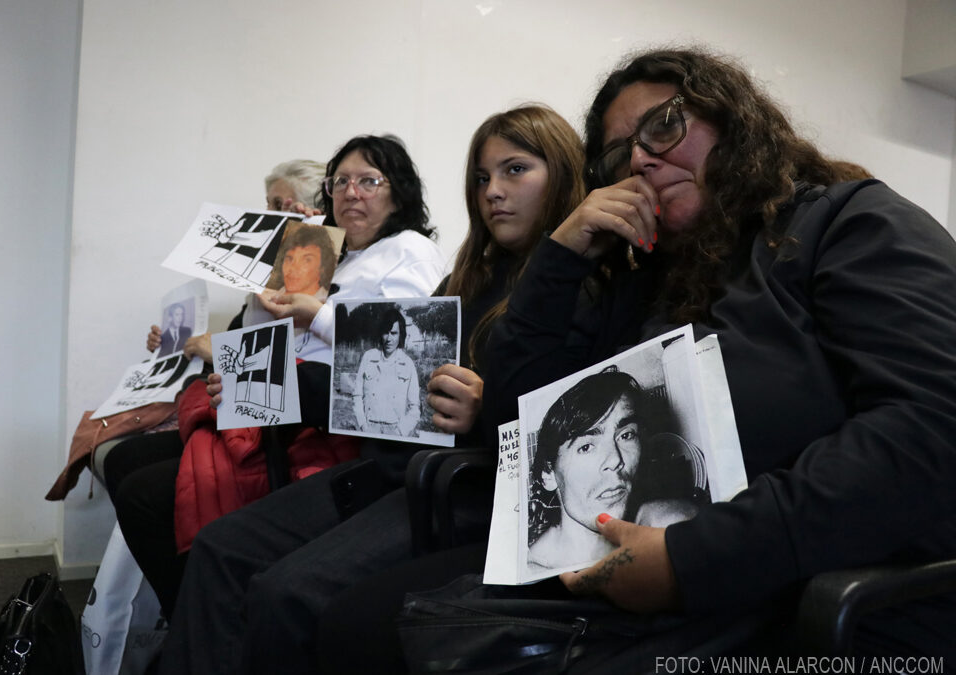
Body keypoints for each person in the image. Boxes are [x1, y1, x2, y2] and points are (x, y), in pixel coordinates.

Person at [469, 47, 956, 658]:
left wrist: (688, 560)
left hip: (806, 604)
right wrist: (559, 257)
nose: (641, 159)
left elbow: (933, 426)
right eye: (620, 156)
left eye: (664, 125)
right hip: (630, 594)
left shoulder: (850, 223)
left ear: (734, 122)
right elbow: (516, 431)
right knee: (367, 625)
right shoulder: (644, 281)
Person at [158, 105, 586, 675]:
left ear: (561, 174)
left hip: (453, 489)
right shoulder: (468, 275)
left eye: (514, 171)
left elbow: (564, 427)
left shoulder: (571, 285)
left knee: (285, 595)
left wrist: (484, 412)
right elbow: (370, 382)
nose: (493, 192)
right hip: (387, 466)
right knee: (218, 547)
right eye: (482, 178)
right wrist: (254, 377)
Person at [103, 159, 327, 620]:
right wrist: (179, 345)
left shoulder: (320, 272)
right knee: (122, 460)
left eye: (281, 205)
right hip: (233, 404)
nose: (270, 213)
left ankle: (190, 617)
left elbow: (280, 354)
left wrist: (215, 349)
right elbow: (241, 340)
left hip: (280, 420)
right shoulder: (265, 277)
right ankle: (181, 614)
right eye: (268, 204)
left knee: (142, 486)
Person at [527, 368, 699, 572]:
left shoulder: (662, 524)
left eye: (626, 435)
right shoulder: (533, 575)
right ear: (548, 475)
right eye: (586, 447)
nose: (615, 460)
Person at [353, 307, 420, 436]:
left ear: (401, 335)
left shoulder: (408, 364)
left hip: (395, 431)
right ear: (380, 334)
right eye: (385, 332)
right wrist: (363, 425)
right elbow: (357, 395)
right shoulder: (368, 357)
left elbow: (415, 408)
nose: (389, 339)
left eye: (394, 333)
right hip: (369, 427)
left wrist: (400, 432)